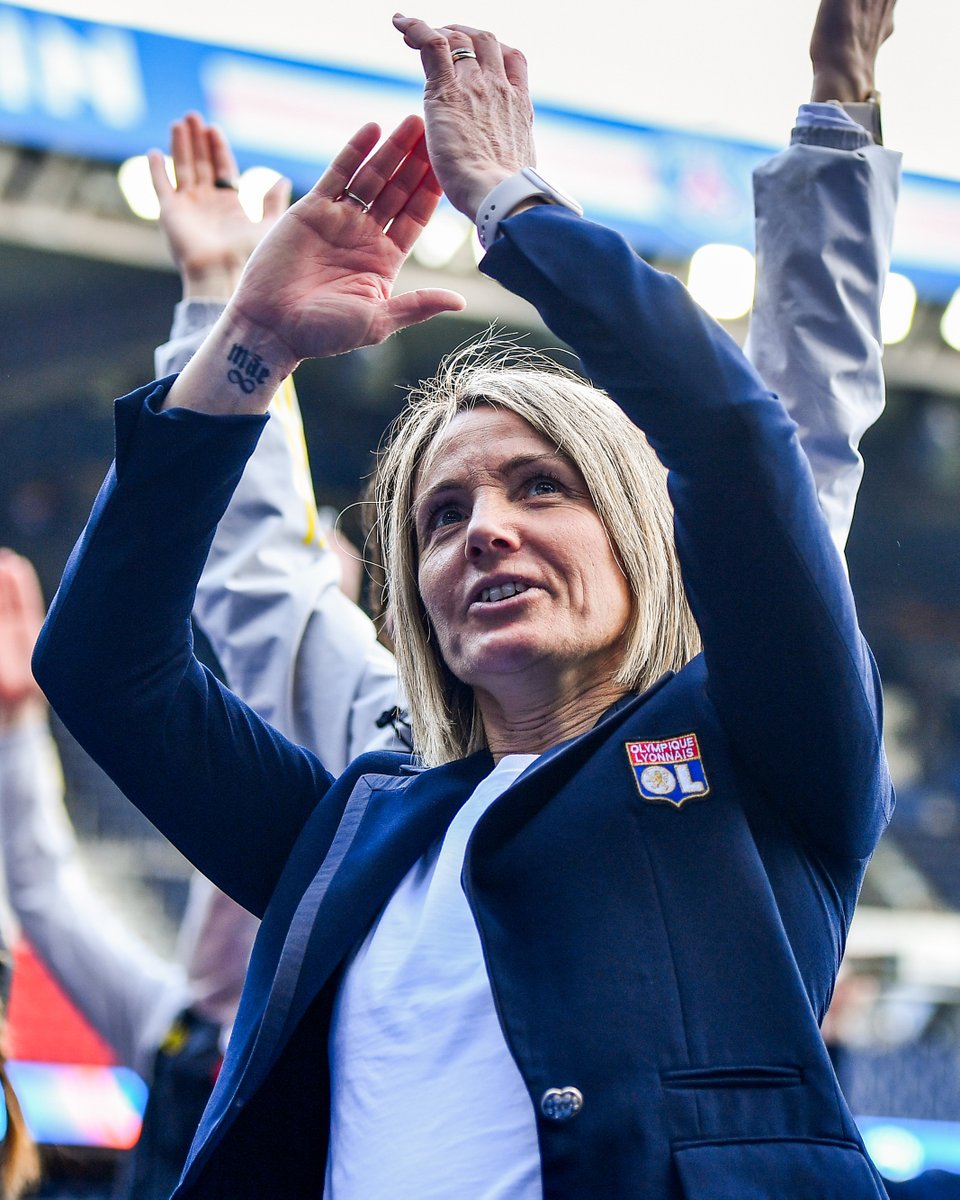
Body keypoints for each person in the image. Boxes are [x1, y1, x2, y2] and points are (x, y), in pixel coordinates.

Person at [34, 12, 894, 1198]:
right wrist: (250, 339)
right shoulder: (351, 834)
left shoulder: (757, 753)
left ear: (646, 542)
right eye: (441, 517)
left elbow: (752, 443)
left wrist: (515, 209)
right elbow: (100, 666)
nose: (485, 526)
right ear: (422, 600)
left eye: (541, 486)